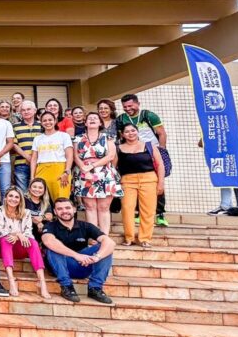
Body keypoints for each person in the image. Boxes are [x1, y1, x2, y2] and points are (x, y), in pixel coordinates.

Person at [41, 197, 116, 304]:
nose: (64, 211)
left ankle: (95, 288)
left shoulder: (85, 226)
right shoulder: (50, 226)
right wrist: (76, 255)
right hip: (60, 266)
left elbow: (110, 243)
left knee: (105, 247)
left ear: (74, 209)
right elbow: (48, 241)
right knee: (52, 248)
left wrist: (96, 257)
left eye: (67, 208)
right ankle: (67, 286)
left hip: (83, 265)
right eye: (60, 209)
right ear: (55, 212)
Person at [117, 94, 170, 227]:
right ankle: (139, 213)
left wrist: (162, 150)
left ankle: (159, 214)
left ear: (138, 103)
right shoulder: (121, 119)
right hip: (132, 155)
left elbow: (161, 133)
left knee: (157, 182)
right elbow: (119, 137)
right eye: (125, 107)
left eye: (130, 106)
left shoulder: (149, 115)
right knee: (135, 184)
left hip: (151, 153)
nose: (128, 109)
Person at [0, 187, 49, 298]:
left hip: (19, 248)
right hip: (1, 247)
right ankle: (11, 280)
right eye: (11, 196)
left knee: (33, 242)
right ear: (5, 198)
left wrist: (18, 237)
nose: (13, 199)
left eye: (17, 197)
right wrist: (18, 234)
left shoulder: (26, 212)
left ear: (20, 199)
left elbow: (28, 232)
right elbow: (0, 231)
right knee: (6, 240)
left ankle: (42, 282)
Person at [73, 112, 122, 234]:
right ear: (85, 122)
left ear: (100, 122)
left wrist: (92, 166)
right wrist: (84, 168)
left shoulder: (107, 137)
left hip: (104, 173)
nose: (92, 120)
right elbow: (75, 156)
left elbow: (111, 155)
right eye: (89, 118)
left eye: (95, 118)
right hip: (85, 173)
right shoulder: (78, 138)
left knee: (104, 207)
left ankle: (104, 235)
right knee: (90, 207)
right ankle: (94, 235)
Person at [117, 123, 164, 246]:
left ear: (137, 131)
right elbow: (113, 167)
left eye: (133, 130)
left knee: (148, 211)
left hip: (149, 179)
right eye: (127, 131)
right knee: (127, 209)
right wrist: (117, 183)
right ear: (122, 134)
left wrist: (161, 183)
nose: (130, 133)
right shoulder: (119, 148)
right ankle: (129, 238)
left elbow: (160, 165)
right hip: (127, 180)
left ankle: (145, 239)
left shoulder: (149, 146)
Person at [30, 111, 74, 203]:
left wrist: (66, 172)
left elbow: (69, 155)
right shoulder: (37, 139)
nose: (47, 122)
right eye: (44, 120)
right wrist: (32, 177)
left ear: (55, 121)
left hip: (60, 170)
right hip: (41, 170)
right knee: (42, 201)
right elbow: (34, 159)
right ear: (41, 123)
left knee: (61, 200)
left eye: (50, 120)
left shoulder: (64, 136)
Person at [11, 101, 41, 193]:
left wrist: (34, 159)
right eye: (23, 110)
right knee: (23, 192)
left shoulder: (42, 125)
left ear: (35, 110)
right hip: (21, 163)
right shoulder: (15, 126)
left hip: (40, 164)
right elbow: (14, 144)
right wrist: (27, 157)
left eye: (28, 109)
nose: (26, 112)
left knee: (39, 191)